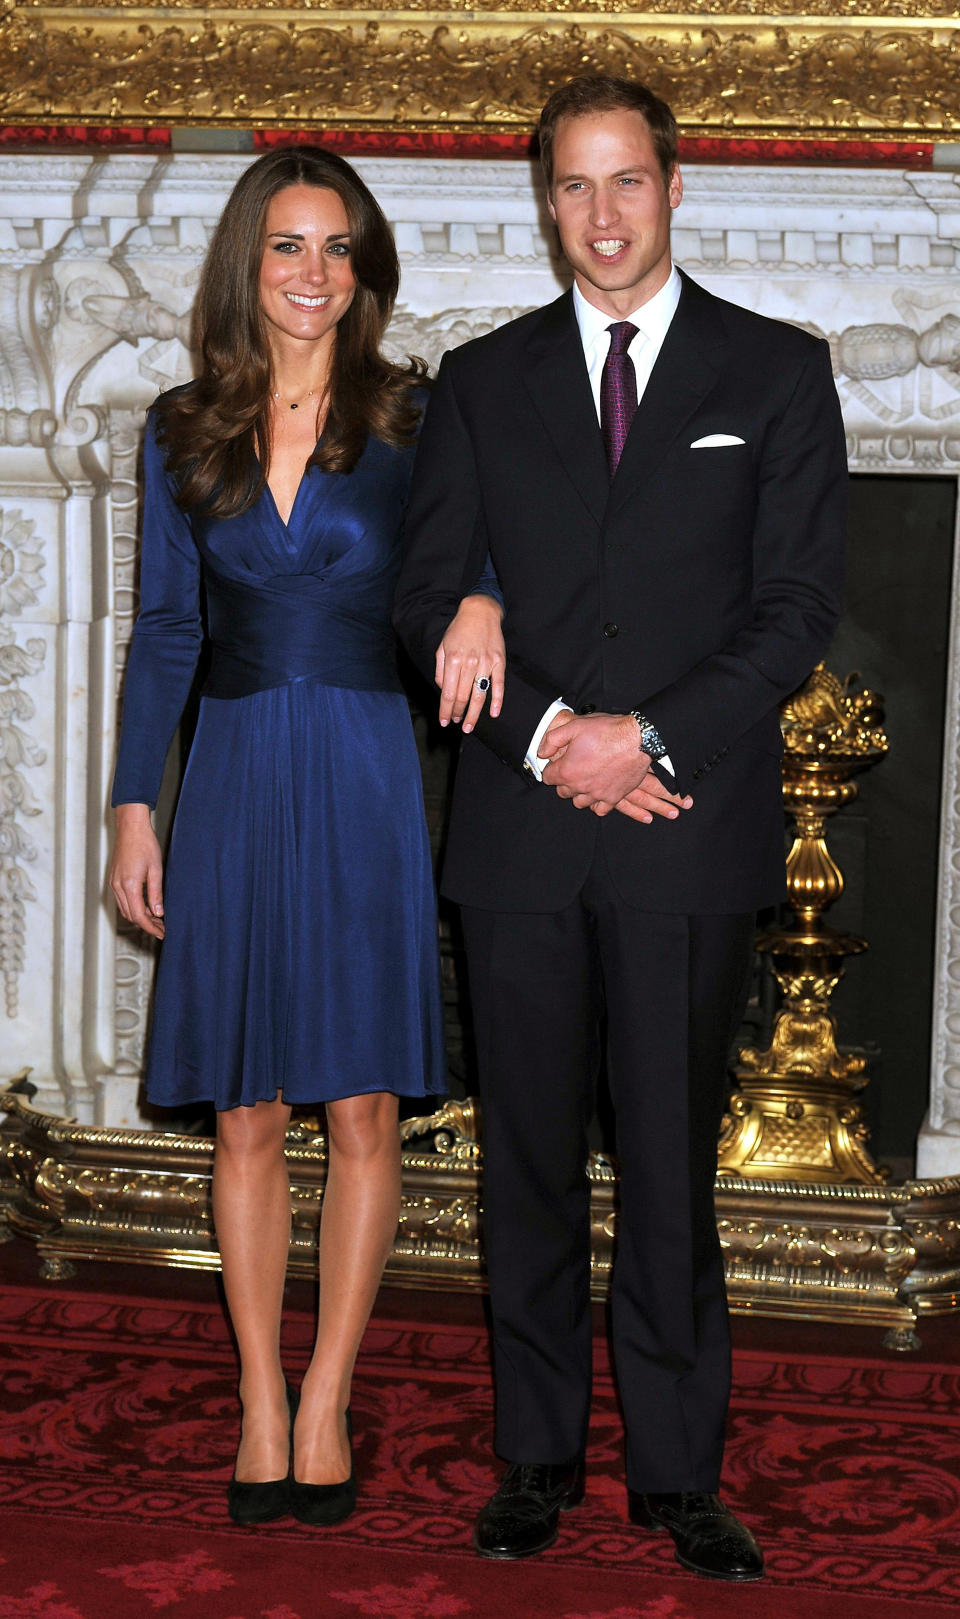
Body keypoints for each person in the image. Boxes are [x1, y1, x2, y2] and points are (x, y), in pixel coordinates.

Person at [395, 75, 847, 1582]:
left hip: (684, 821)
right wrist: (545, 739)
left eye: (627, 182)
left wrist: (639, 739)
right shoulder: (480, 378)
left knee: (668, 1164)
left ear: (673, 187)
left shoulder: (777, 374)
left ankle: (674, 1472)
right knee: (523, 1161)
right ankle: (537, 1457)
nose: (602, 214)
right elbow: (427, 594)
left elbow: (792, 619)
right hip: (521, 836)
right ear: (546, 204)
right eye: (573, 187)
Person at [108, 145, 505, 1529]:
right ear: (247, 261)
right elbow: (164, 631)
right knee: (249, 1113)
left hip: (361, 768)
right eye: (288, 245)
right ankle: (260, 1398)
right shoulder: (178, 429)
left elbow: (483, 551)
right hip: (228, 778)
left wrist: (484, 605)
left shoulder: (412, 419)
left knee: (360, 1106)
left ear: (365, 272)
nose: (312, 273)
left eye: (338, 249)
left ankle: (331, 1393)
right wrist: (129, 808)